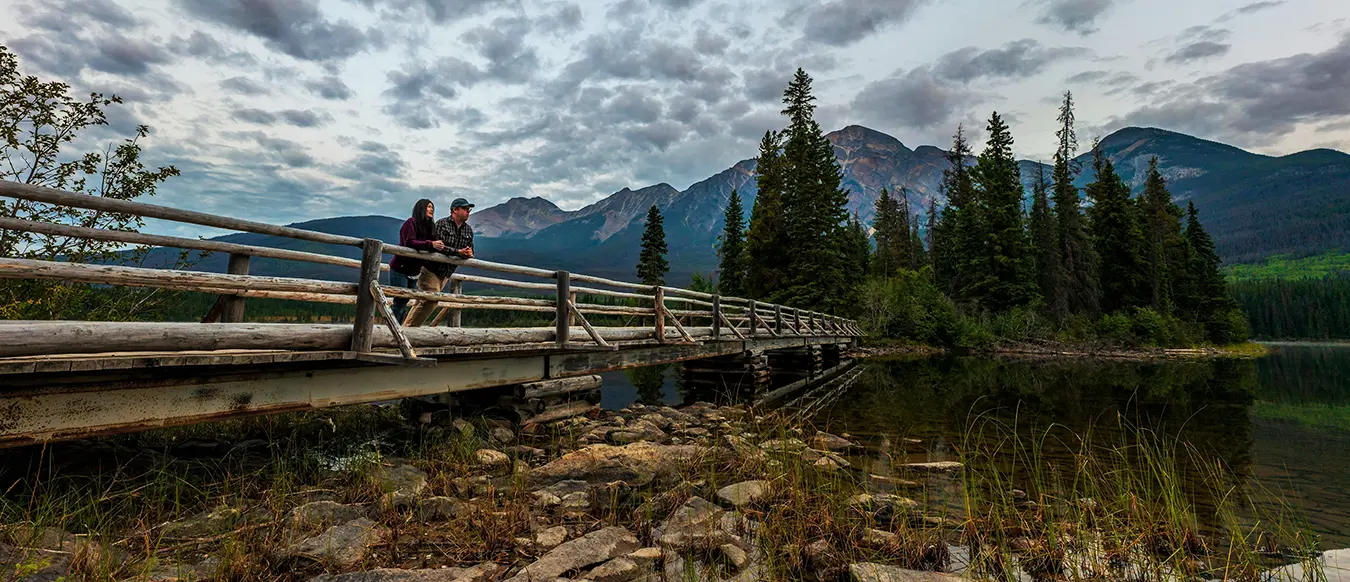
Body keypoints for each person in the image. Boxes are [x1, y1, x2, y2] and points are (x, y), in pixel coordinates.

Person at [404, 197, 475, 326]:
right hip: (430, 269)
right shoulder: (442, 224)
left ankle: (403, 331)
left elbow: (470, 250)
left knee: (423, 301)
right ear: (455, 210)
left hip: (446, 273)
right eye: (465, 209)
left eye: (468, 209)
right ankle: (408, 331)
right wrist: (458, 252)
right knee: (432, 300)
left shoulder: (468, 230)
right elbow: (439, 247)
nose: (468, 211)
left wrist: (469, 253)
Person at [388, 199, 444, 323]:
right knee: (400, 300)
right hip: (400, 269)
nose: (432, 209)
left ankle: (399, 329)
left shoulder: (430, 227)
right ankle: (393, 330)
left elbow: (435, 244)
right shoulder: (411, 222)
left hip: (415, 272)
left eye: (432, 207)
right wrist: (431, 244)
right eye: (429, 206)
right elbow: (410, 242)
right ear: (421, 208)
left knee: (406, 300)